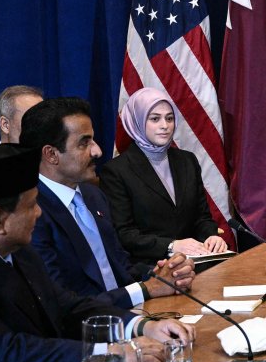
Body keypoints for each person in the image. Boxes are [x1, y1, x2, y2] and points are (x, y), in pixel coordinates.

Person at [0, 143, 194, 362]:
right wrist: (108, 353)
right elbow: (2, 351)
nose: (39, 213)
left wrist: (141, 326)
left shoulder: (20, 251)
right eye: (31, 205)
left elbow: (66, 306)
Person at [20, 97, 195, 308]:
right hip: (86, 330)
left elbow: (119, 266)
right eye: (84, 143)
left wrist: (162, 273)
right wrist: (146, 289)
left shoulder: (94, 196)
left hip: (132, 313)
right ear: (51, 154)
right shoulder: (31, 212)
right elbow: (61, 303)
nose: (97, 151)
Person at [100, 88, 229, 272]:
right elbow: (124, 234)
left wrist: (211, 237)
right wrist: (171, 245)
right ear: (136, 121)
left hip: (197, 262)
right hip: (152, 267)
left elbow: (202, 217)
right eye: (154, 119)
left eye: (169, 118)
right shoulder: (116, 171)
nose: (165, 125)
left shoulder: (187, 160)